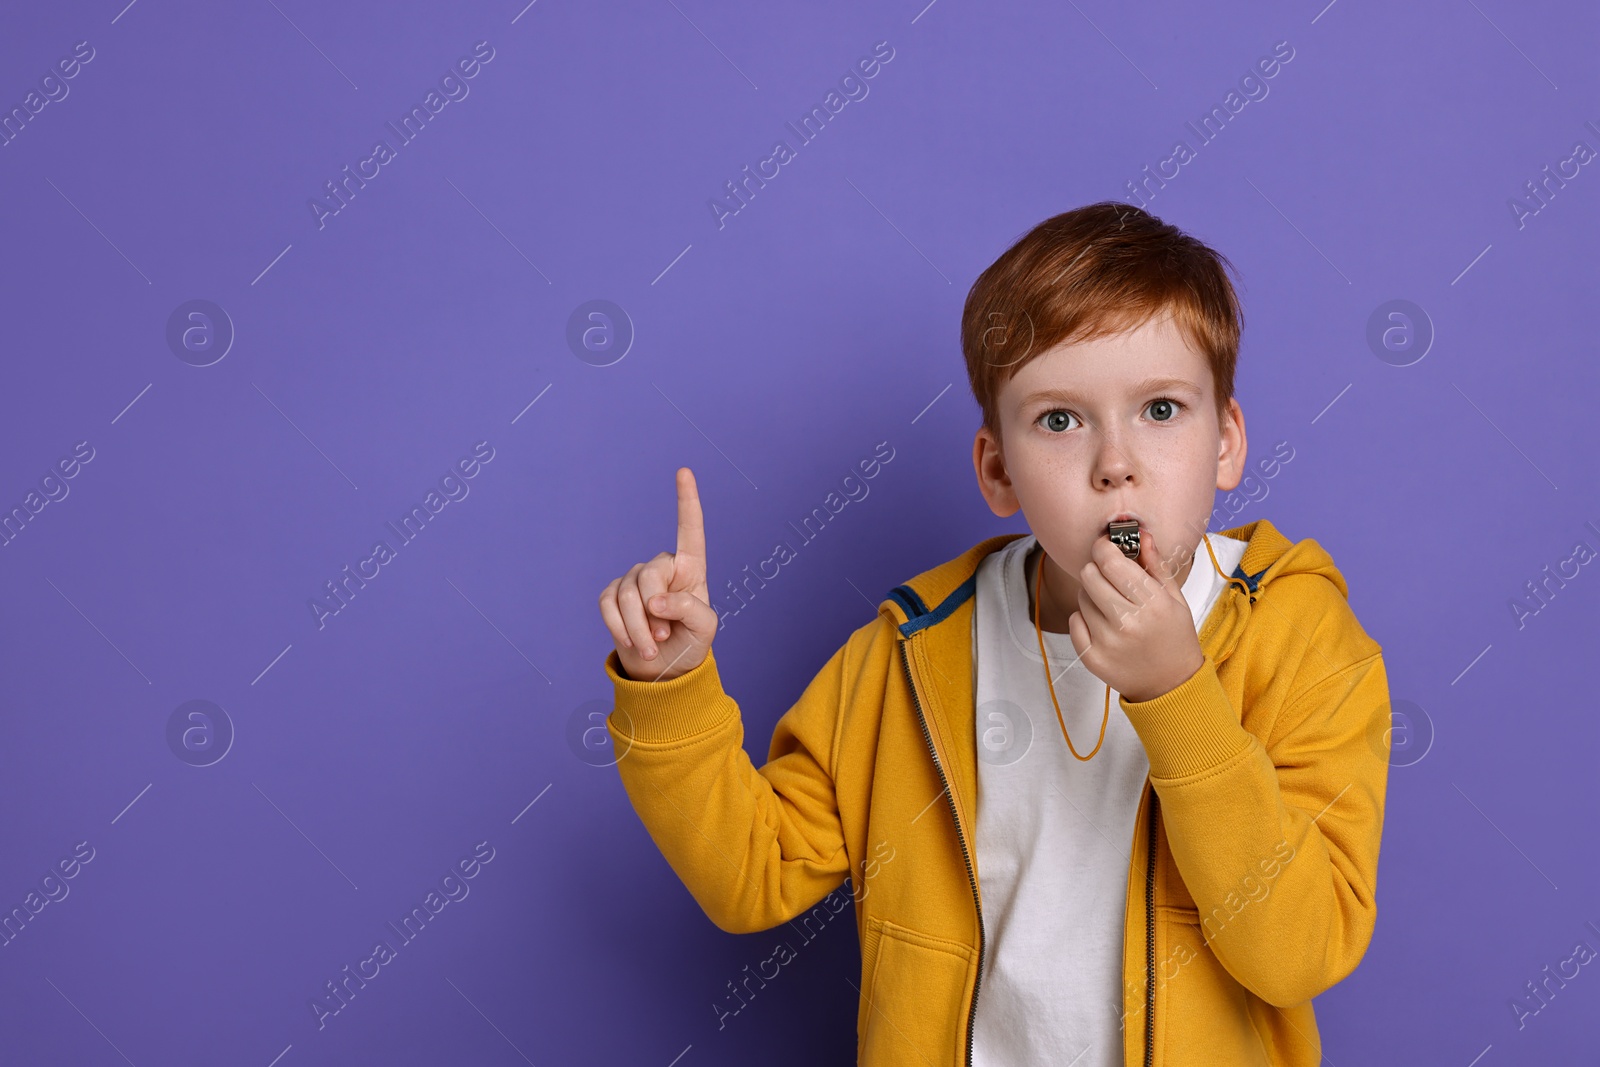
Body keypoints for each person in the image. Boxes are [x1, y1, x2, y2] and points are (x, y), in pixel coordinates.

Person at [596, 201, 1391, 1067]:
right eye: (1060, 419)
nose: (1114, 461)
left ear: (1227, 442)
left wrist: (1176, 695)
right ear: (997, 469)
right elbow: (751, 872)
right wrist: (670, 686)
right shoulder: (911, 651)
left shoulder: (1301, 638)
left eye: (1161, 409)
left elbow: (1300, 950)